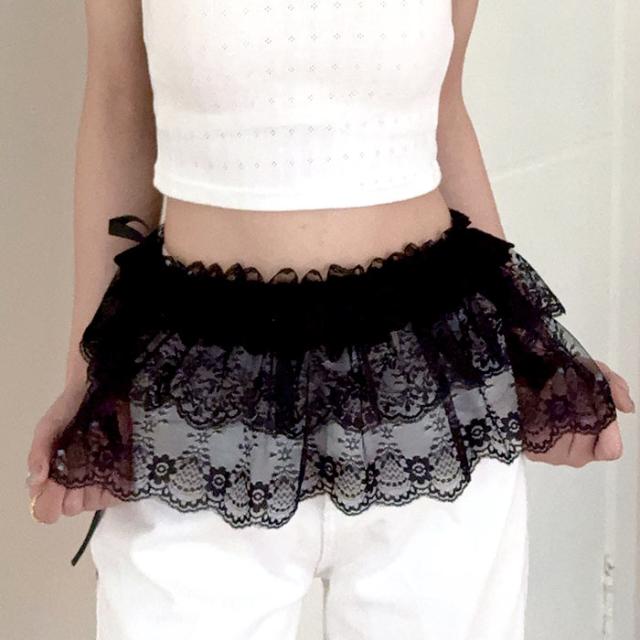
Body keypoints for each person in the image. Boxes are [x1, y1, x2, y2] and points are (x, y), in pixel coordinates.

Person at [25, 1, 635, 639]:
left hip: (428, 391)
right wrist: (86, 375)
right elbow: (121, 108)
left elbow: (443, 111)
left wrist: (528, 344)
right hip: (197, 404)